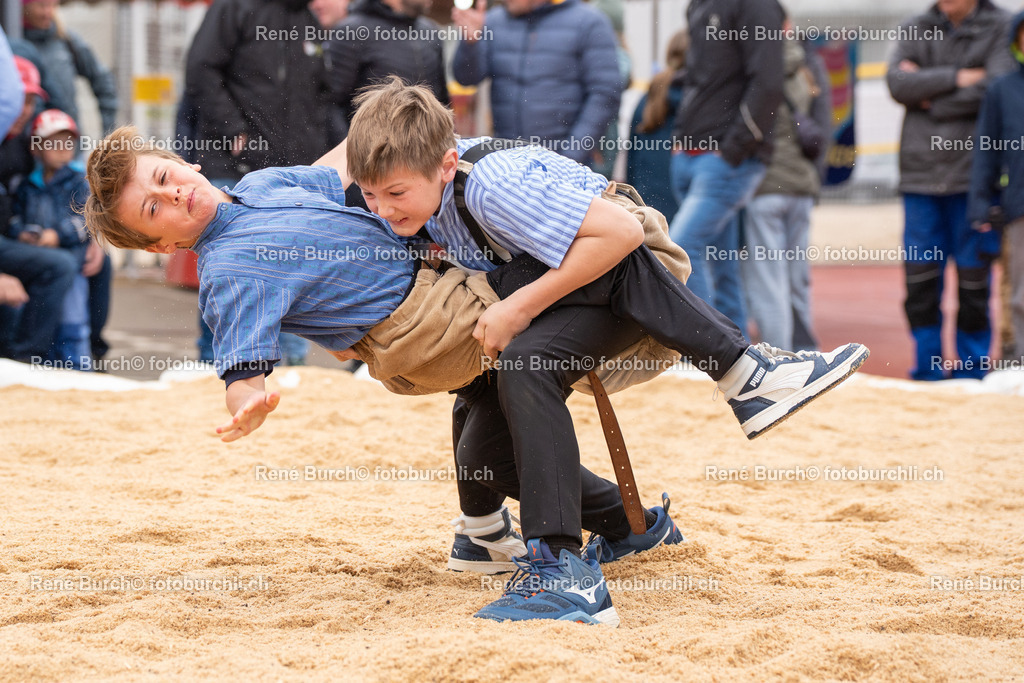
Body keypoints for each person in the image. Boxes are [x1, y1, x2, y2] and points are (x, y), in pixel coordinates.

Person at [83, 124, 695, 609]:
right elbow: (241, 365)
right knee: (559, 270)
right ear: (162, 246)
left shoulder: (264, 185)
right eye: (156, 211)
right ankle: (650, 264)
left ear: (185, 163)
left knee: (492, 421)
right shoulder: (229, 271)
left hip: (433, 287)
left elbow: (337, 167)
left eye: (164, 178)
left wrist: (380, 122)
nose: (172, 196)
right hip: (416, 328)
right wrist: (248, 402)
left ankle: (597, 524)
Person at [346, 78, 869, 625]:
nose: (381, 209)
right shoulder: (412, 198)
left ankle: (564, 571)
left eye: (396, 194)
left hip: (634, 274)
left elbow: (620, 235)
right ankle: (631, 527)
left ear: (447, 165)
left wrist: (518, 309)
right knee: (483, 455)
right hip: (562, 287)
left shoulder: (491, 183)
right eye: (370, 194)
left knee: (525, 362)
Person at [184, 0, 331, 364]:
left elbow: (321, 100)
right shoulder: (234, 8)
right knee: (233, 275)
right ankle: (218, 364)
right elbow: (200, 69)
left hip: (291, 179)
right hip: (232, 172)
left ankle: (290, 368)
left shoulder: (309, 20)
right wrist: (234, 132)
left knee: (291, 273)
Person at [886, 0, 1013, 380]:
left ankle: (972, 369)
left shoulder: (1003, 26)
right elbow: (897, 83)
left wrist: (929, 95)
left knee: (975, 280)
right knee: (921, 281)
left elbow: (997, 86)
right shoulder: (915, 25)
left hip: (975, 180)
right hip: (920, 178)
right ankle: (927, 368)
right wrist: (962, 77)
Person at [666, 0, 785, 318]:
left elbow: (769, 83)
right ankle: (737, 355)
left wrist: (733, 148)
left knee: (680, 249)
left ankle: (700, 351)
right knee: (722, 263)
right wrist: (680, 139)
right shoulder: (698, 6)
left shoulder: (757, 6)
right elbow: (696, 79)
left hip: (725, 159)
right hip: (692, 155)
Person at [450, 0, 621, 169]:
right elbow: (467, 79)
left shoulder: (589, 22)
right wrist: (471, 44)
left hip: (568, 167)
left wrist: (569, 158)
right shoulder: (493, 21)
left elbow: (605, 94)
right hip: (509, 165)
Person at [741, 26, 827, 351]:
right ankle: (806, 352)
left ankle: (781, 355)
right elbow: (823, 124)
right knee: (796, 277)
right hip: (800, 185)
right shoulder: (805, 68)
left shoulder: (755, 70)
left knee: (767, 279)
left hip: (765, 185)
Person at [0, 56, 77, 362]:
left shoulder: (19, 146)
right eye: (18, 99)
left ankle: (87, 353)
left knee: (94, 263)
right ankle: (26, 359)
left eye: (31, 101)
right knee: (58, 266)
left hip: (15, 239)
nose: (25, 109)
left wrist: (92, 235)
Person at [10, 109, 93, 368]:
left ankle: (78, 371)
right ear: (36, 148)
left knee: (72, 323)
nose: (62, 149)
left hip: (72, 263)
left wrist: (57, 234)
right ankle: (38, 367)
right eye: (53, 143)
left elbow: (87, 221)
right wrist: (21, 232)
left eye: (68, 143)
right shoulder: (26, 185)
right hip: (39, 266)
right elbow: (13, 218)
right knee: (30, 314)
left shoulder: (79, 182)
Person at [969, 10, 1024, 367]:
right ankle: (1017, 361)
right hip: (1020, 207)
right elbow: (986, 151)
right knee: (1019, 293)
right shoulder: (1003, 90)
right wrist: (980, 202)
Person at [324, 0, 447, 134]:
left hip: (429, 149)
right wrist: (349, 151)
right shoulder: (352, 32)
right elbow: (330, 105)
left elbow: (442, 102)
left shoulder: (430, 31)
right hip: (374, 150)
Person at [21, 0, 118, 134]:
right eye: (41, 6)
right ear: (24, 7)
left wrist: (109, 132)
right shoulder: (15, 44)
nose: (47, 12)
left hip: (67, 143)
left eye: (53, 6)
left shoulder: (66, 40)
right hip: (26, 145)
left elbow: (102, 81)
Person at [626, 30, 688, 221]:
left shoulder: (650, 96)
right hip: (685, 201)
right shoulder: (701, 101)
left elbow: (632, 155)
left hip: (648, 203)